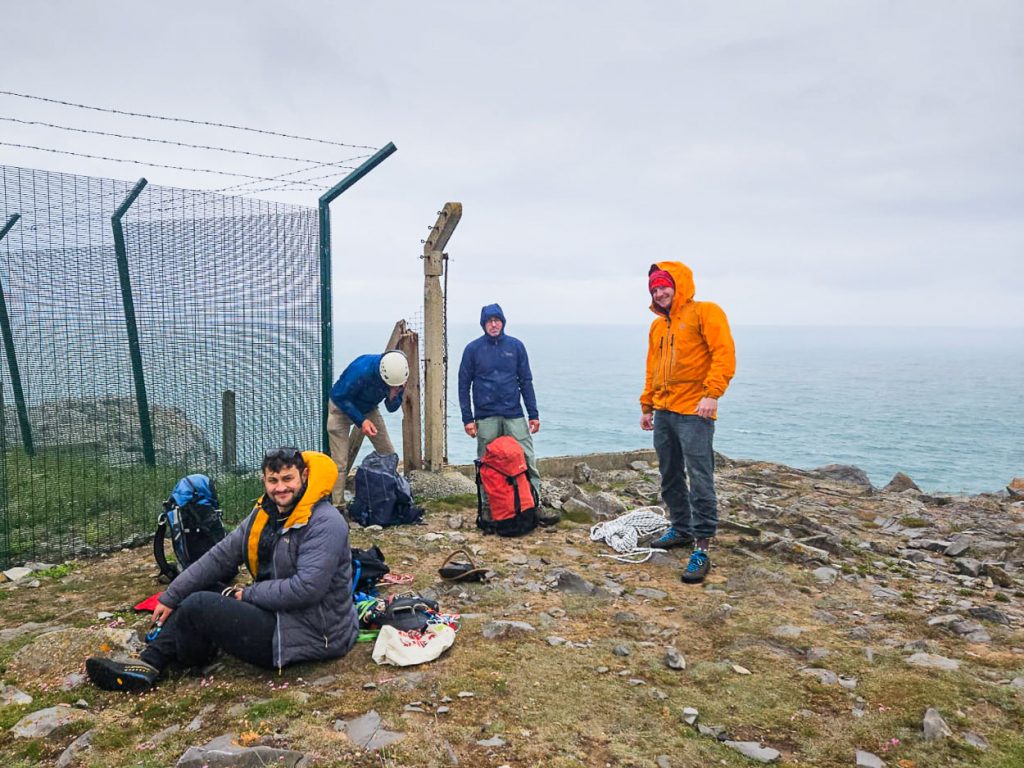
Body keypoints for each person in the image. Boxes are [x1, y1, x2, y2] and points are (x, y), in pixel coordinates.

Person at [86, 448, 357, 692]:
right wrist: (171, 595)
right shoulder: (266, 513)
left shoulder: (325, 522)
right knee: (199, 589)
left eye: (288, 479)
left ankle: (158, 661)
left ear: (305, 476)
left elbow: (306, 589)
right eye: (273, 481)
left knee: (198, 605)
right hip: (277, 614)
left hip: (311, 633)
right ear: (264, 480)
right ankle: (154, 661)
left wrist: (248, 595)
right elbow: (219, 557)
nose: (280, 488)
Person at [641, 262, 736, 584]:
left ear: (678, 285)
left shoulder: (705, 312)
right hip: (664, 411)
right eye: (654, 288)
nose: (659, 292)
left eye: (664, 286)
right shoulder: (657, 327)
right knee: (669, 474)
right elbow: (652, 367)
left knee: (700, 476)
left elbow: (724, 354)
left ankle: (702, 546)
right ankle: (680, 528)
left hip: (696, 411)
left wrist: (712, 394)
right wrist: (646, 404)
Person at [458, 303, 556, 523]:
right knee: (486, 462)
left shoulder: (516, 346)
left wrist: (533, 414)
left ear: (503, 322)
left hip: (514, 413)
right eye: (489, 321)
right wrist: (468, 419)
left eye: (497, 320)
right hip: (485, 415)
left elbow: (526, 381)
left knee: (526, 457)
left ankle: (534, 504)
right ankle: (488, 510)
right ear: (483, 324)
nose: (494, 324)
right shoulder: (472, 349)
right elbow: (463, 384)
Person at [327, 350, 408, 505]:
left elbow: (391, 407)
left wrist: (393, 393)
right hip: (341, 407)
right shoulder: (361, 369)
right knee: (340, 463)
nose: (396, 387)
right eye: (391, 385)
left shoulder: (399, 375)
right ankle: (338, 505)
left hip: (368, 408)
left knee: (388, 453)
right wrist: (361, 421)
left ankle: (389, 498)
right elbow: (339, 396)